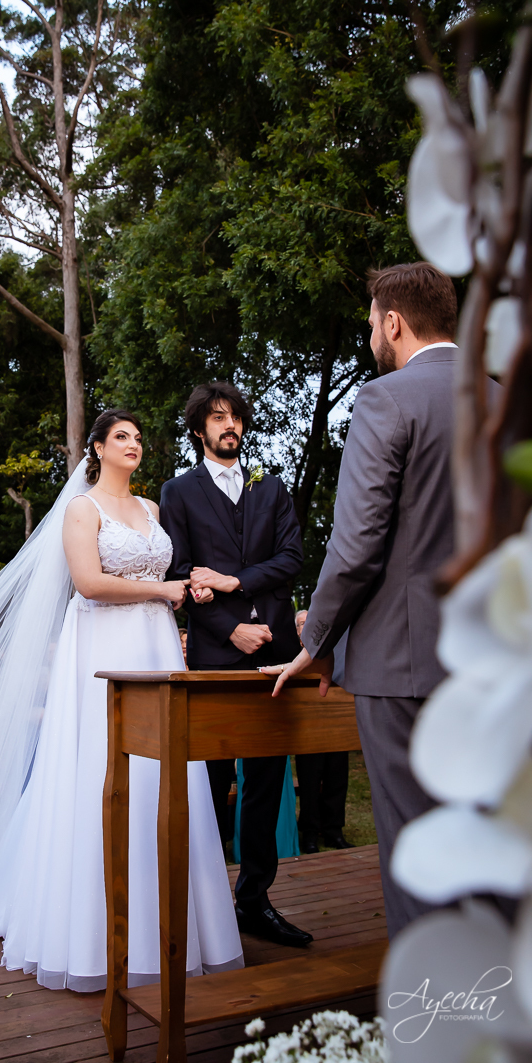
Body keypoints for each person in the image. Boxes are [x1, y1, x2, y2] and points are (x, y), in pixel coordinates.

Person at [0, 409, 244, 994]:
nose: (133, 445)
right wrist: (163, 589)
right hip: (102, 646)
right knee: (104, 768)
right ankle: (89, 929)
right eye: (120, 437)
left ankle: (173, 926)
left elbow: (162, 573)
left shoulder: (151, 511)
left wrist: (190, 587)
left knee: (164, 771)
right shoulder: (82, 510)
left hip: (155, 644)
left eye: (139, 438)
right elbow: (89, 583)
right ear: (96, 448)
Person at [263, 261, 466, 939]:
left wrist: (313, 641)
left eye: (372, 324)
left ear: (394, 322)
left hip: (407, 666)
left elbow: (355, 550)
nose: (373, 337)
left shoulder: (387, 399)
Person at [159, 381, 311, 949]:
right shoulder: (179, 492)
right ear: (199, 430)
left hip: (274, 657)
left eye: (235, 418)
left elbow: (292, 557)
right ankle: (203, 905)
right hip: (216, 655)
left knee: (266, 780)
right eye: (217, 418)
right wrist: (231, 627)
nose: (229, 426)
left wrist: (239, 582)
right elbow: (180, 570)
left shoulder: (270, 487)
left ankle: (254, 900)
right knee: (211, 780)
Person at [293, 610, 352, 854]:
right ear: (296, 629)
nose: (306, 626)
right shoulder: (292, 653)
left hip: (336, 723)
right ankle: (309, 834)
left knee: (337, 780)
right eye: (301, 623)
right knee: (309, 783)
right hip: (306, 728)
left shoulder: (333, 648)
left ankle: (334, 831)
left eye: (310, 621)